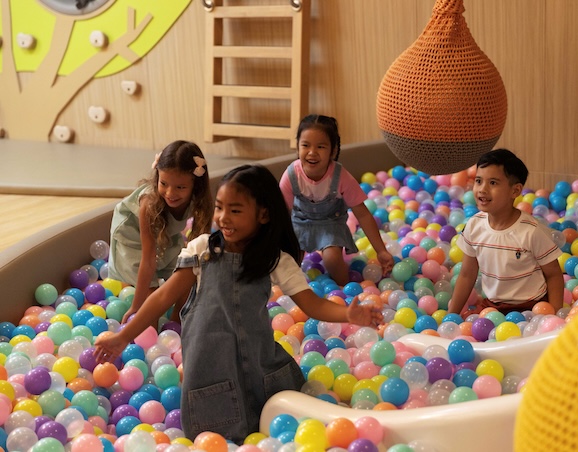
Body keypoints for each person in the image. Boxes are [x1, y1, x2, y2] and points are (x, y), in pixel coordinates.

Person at [95, 164, 383, 443]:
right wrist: (123, 336)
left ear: (263, 215)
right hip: (209, 368)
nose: (223, 218)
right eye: (219, 208)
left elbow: (312, 304)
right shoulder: (203, 250)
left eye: (235, 210)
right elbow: (163, 296)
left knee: (271, 426)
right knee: (213, 436)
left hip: (257, 363)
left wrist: (348, 314)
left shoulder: (274, 259)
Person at [279, 114, 394, 285]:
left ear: (332, 151)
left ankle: (342, 287)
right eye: (305, 145)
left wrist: (381, 251)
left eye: (320, 147)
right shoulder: (291, 175)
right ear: (297, 147)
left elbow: (362, 214)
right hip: (299, 222)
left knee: (332, 259)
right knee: (288, 262)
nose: (312, 152)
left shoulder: (341, 177)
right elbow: (281, 214)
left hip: (330, 224)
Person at [447, 149, 564, 317]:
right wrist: (451, 316)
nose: (482, 189)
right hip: (493, 307)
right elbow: (467, 275)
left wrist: (555, 316)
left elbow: (553, 275)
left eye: (493, 183)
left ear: (515, 191)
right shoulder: (474, 225)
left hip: (531, 307)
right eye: (479, 181)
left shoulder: (531, 231)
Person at [108, 140, 213, 323]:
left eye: (180, 187)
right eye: (163, 183)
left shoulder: (202, 202)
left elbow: (198, 253)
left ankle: (176, 324)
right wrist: (136, 306)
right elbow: (148, 260)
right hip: (133, 239)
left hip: (165, 236)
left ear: (195, 186)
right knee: (152, 299)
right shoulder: (149, 203)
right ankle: (149, 336)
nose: (170, 193)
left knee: (187, 279)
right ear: (157, 176)